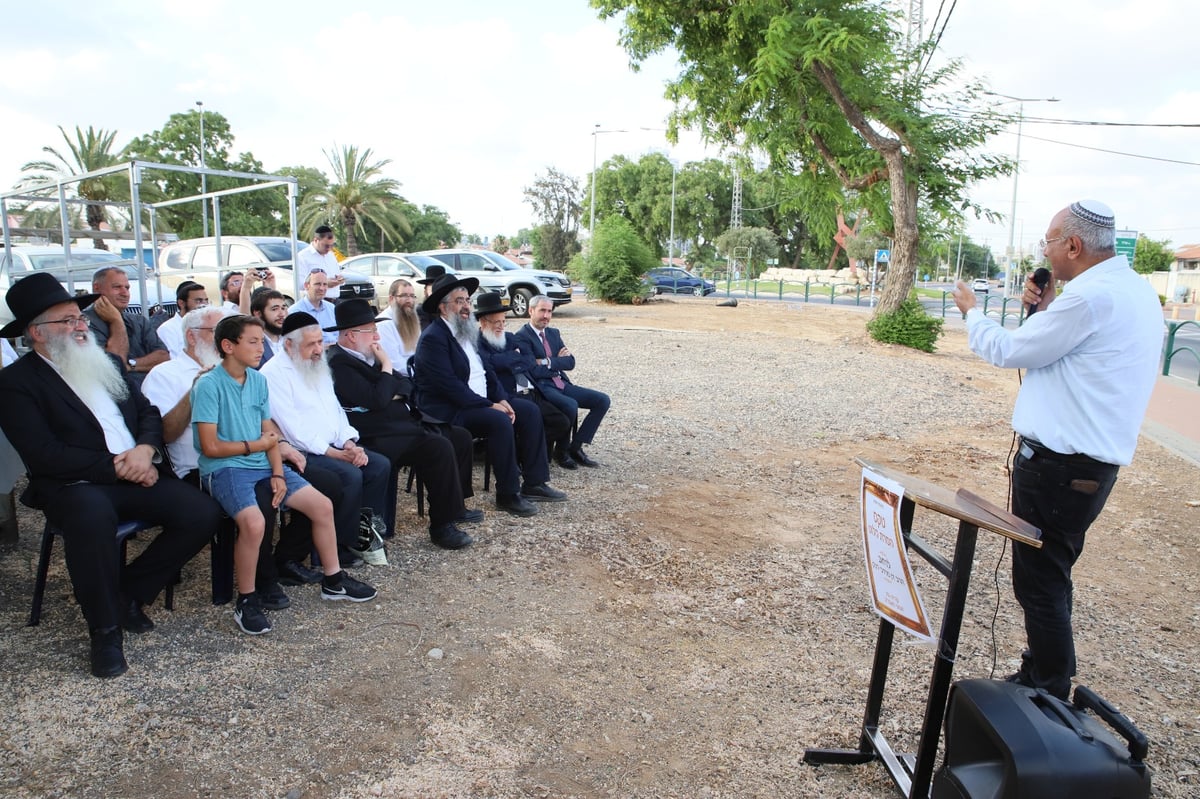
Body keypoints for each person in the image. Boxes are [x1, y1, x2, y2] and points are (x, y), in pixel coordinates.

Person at [950, 199, 1164, 700]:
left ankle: (1046, 689)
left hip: (1058, 467)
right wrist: (1043, 312)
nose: (1044, 251)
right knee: (1052, 573)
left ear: (1073, 245)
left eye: (1048, 241)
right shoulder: (1130, 291)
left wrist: (972, 313)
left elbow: (1009, 350)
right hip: (1088, 465)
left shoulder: (1089, 299)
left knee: (1039, 582)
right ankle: (1046, 675)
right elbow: (1068, 353)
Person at [0, 273, 219, 678]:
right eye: (67, 321)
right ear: (37, 333)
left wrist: (146, 450)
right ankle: (104, 630)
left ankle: (128, 593)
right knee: (90, 515)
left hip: (134, 468)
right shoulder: (16, 383)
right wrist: (122, 466)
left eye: (78, 317)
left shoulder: (104, 361)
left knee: (201, 512)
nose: (80, 326)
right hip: (76, 485)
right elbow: (44, 454)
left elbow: (149, 413)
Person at [193, 315, 377, 634]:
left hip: (263, 462)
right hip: (225, 469)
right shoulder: (208, 385)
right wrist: (258, 445)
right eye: (252, 342)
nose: (260, 347)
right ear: (227, 346)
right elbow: (209, 447)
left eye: (260, 341)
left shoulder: (257, 381)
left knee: (321, 505)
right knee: (254, 523)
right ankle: (247, 600)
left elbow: (270, 434)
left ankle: (333, 581)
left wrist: (278, 472)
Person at [325, 299, 479, 550]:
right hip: (373, 435)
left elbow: (407, 385)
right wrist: (386, 368)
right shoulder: (339, 363)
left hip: (397, 426)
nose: (377, 336)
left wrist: (386, 389)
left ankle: (454, 509)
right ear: (352, 335)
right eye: (371, 330)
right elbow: (376, 398)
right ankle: (442, 526)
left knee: (457, 436)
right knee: (438, 447)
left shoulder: (366, 355)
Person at [414, 274, 566, 517]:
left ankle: (534, 483)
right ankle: (507, 494)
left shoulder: (467, 331)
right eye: (459, 301)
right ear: (443, 307)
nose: (466, 306)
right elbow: (450, 387)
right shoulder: (434, 338)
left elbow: (487, 371)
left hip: (477, 402)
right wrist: (489, 405)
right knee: (499, 421)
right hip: (449, 409)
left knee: (528, 410)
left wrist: (501, 398)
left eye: (467, 300)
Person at [261, 312, 393, 563]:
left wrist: (349, 443)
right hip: (302, 452)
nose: (318, 349)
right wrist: (334, 453)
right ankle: (338, 549)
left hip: (333, 446)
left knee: (378, 466)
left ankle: (363, 535)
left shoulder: (316, 366)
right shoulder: (273, 373)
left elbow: (336, 411)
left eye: (321, 342)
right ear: (289, 344)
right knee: (349, 475)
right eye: (311, 344)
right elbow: (292, 428)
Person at [475, 292, 575, 469]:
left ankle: (525, 452)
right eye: (496, 322)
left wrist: (512, 360)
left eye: (503, 321)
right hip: (508, 395)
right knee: (530, 418)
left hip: (530, 390)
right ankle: (529, 460)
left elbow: (529, 359)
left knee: (561, 422)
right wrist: (514, 357)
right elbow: (489, 363)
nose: (501, 326)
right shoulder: (476, 342)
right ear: (483, 322)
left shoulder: (509, 337)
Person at [516, 295, 611, 467]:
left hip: (561, 383)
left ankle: (576, 446)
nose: (546, 316)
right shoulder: (522, 337)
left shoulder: (553, 333)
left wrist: (547, 360)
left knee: (602, 400)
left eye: (549, 311)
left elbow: (570, 362)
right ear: (531, 311)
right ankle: (561, 451)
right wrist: (555, 361)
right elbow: (533, 371)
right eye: (542, 311)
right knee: (570, 405)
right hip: (543, 387)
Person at [83, 266, 169, 387]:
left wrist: (129, 365)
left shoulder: (139, 321)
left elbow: (163, 357)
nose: (125, 293)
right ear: (97, 289)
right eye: (117, 287)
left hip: (152, 389)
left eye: (127, 288)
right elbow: (114, 366)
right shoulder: (83, 324)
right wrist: (117, 322)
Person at [156, 281, 210, 359]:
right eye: (198, 301)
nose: (204, 305)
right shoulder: (168, 329)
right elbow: (173, 361)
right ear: (181, 303)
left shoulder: (208, 326)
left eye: (206, 300)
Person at [377, 278, 421, 366]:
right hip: (400, 376)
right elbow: (393, 362)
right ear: (391, 298)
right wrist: (418, 373)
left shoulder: (412, 320)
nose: (409, 301)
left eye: (412, 296)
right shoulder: (383, 324)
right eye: (404, 296)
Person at [288, 269, 338, 344]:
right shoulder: (295, 312)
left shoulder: (332, 308)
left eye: (325, 284)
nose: (322, 288)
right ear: (306, 286)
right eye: (317, 284)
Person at [295, 224, 346, 289]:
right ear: (316, 240)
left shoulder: (331, 255)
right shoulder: (303, 256)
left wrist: (340, 280)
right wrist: (324, 283)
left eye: (331, 245)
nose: (329, 249)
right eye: (326, 246)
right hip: (316, 298)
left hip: (335, 298)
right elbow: (300, 284)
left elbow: (338, 275)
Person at [249, 287, 288, 366]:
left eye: (283, 308)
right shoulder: (251, 345)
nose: (282, 314)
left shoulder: (292, 339)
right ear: (258, 314)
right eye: (275, 309)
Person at [416, 264, 449, 330]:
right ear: (425, 290)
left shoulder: (450, 308)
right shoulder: (422, 312)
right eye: (432, 287)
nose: (436, 290)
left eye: (440, 287)